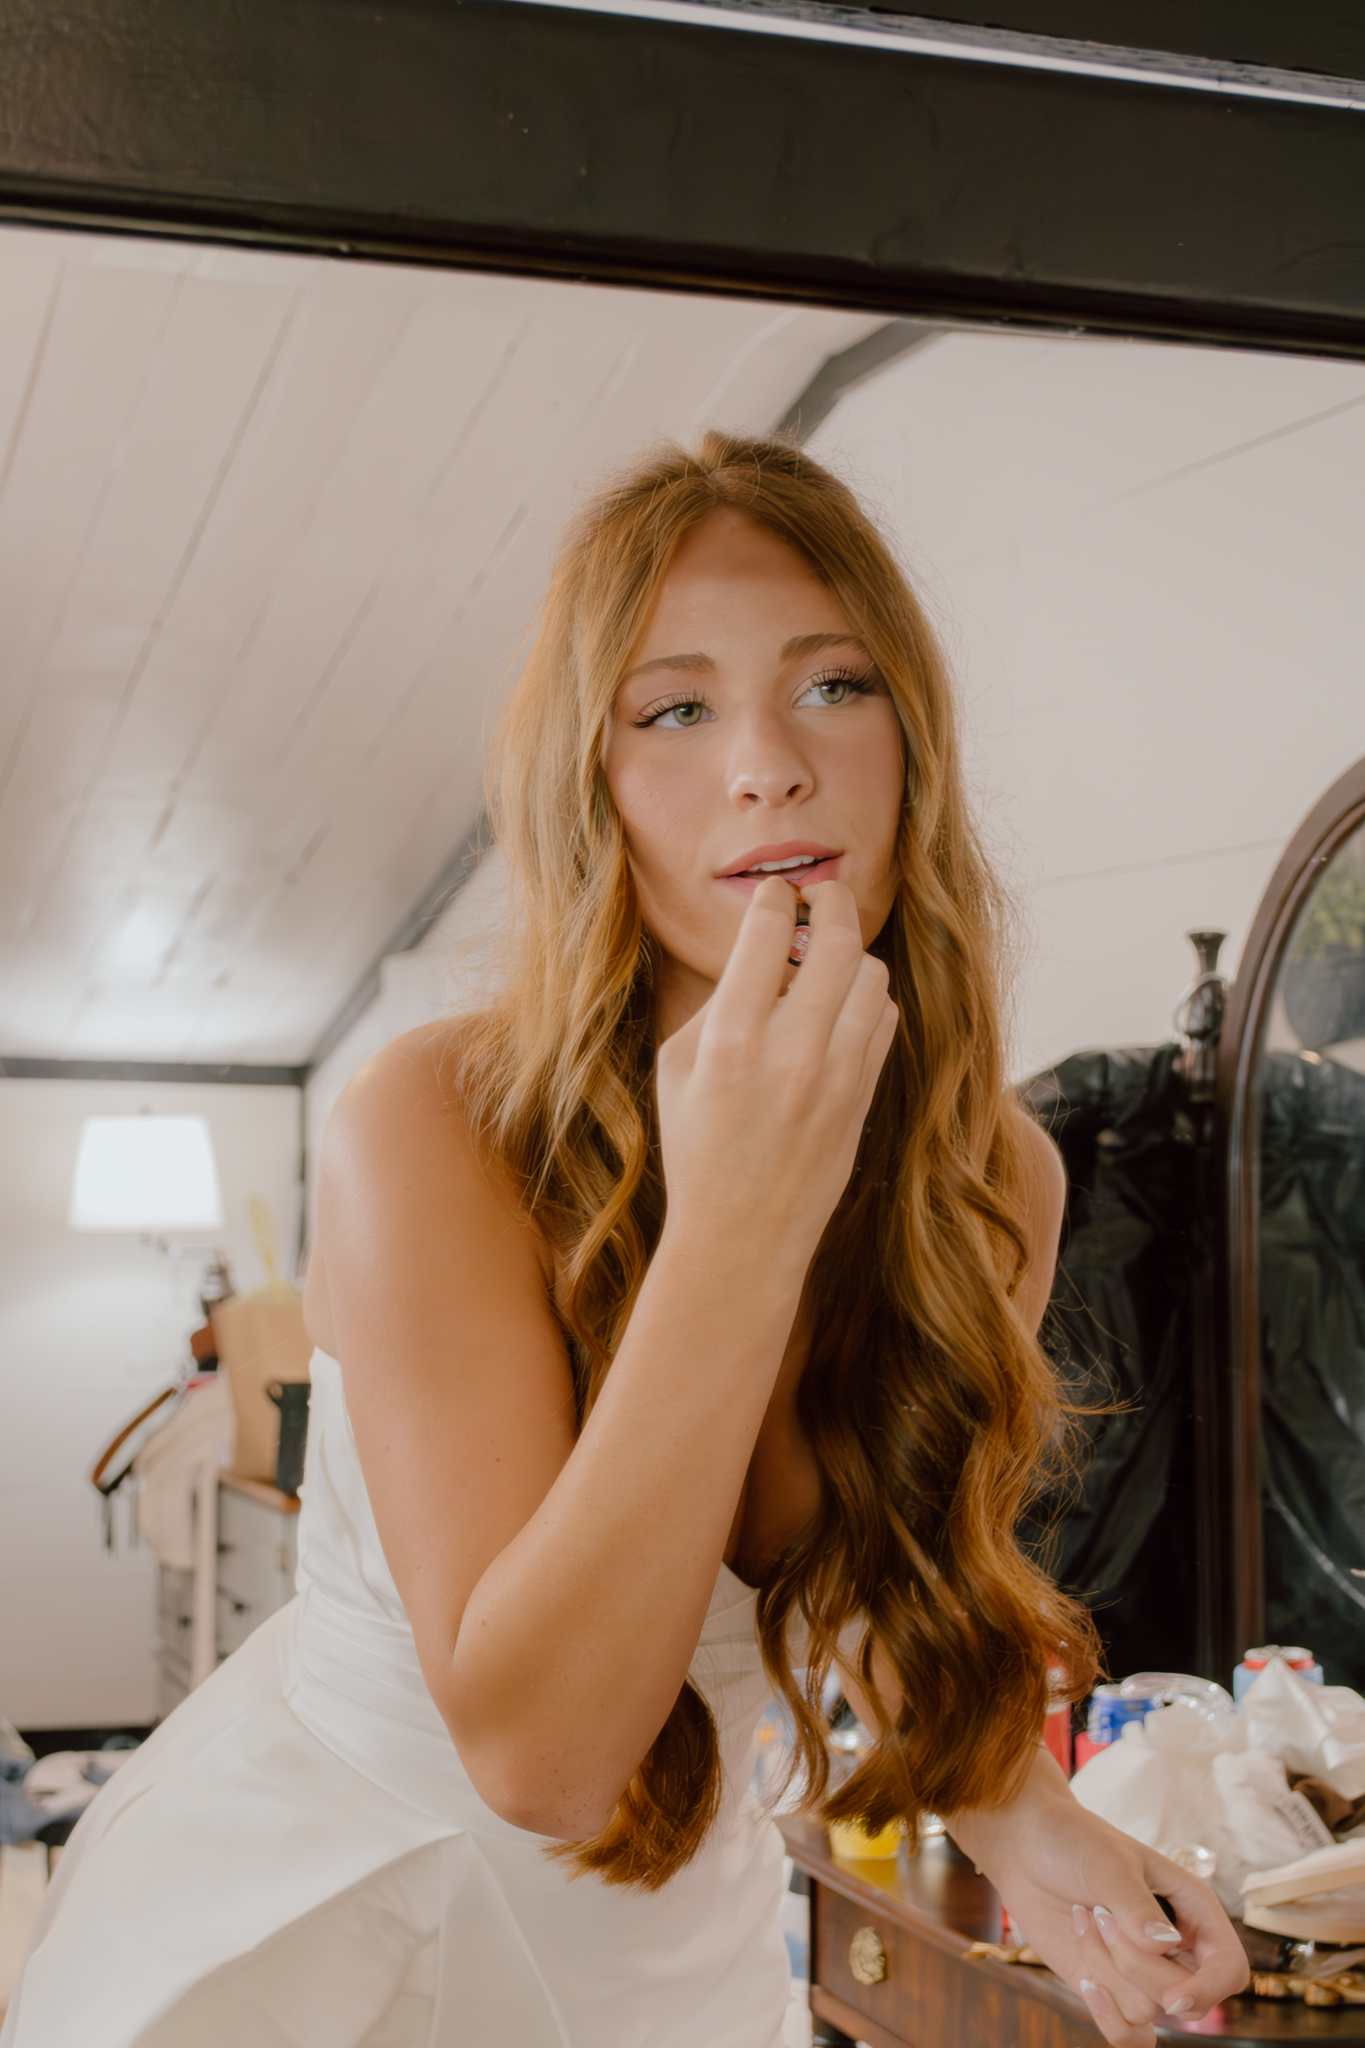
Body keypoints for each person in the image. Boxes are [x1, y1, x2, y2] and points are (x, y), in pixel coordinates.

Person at [3, 435, 1248, 2048]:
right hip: (356, 1935)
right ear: (586, 784)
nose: (767, 767)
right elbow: (542, 1760)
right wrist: (740, 1221)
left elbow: (870, 1576)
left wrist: (1036, 1832)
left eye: (833, 686)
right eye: (674, 711)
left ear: (911, 750)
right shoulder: (431, 1123)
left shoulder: (990, 1170)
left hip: (680, 1960)